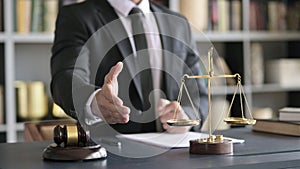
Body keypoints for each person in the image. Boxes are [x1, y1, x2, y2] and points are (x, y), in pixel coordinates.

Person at [50, 0, 208, 134]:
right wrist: (94, 101)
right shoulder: (78, 17)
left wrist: (185, 117)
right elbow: (66, 77)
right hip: (111, 155)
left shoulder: (178, 23)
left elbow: (198, 93)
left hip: (174, 155)